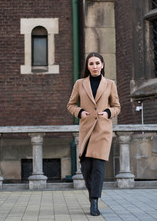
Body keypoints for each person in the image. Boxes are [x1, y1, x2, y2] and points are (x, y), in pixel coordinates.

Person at [67, 52, 121, 216]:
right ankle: (93, 196)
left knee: (98, 168)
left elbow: (117, 106)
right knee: (85, 167)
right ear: (87, 67)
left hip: (103, 130)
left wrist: (108, 112)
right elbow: (70, 105)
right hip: (86, 129)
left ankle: (95, 202)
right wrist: (80, 112)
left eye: (97, 63)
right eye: (91, 64)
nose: (95, 66)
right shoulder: (80, 83)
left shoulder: (110, 84)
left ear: (102, 65)